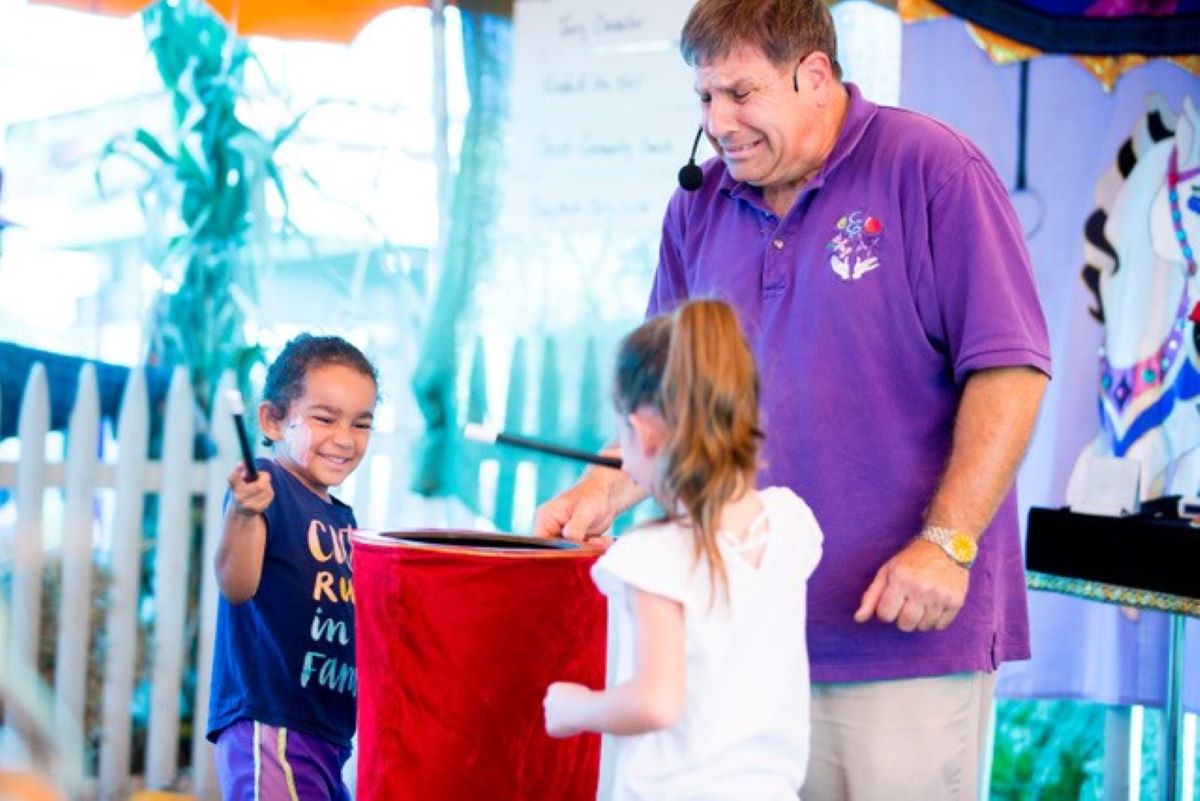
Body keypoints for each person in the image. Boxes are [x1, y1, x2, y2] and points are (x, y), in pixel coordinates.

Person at [533, 1, 1052, 798]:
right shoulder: (696, 204)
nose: (717, 122)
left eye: (740, 94)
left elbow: (1010, 369)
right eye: (704, 99)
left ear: (815, 75)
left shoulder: (934, 169)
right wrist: (604, 484)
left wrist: (947, 541)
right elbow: (672, 405)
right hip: (728, 644)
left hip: (894, 638)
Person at [542, 299, 824, 800]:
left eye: (621, 438)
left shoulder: (652, 558)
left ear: (646, 434)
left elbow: (656, 701)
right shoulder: (791, 523)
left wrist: (577, 707)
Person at [207, 334, 378, 801]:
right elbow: (236, 584)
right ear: (273, 419)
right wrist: (243, 513)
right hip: (273, 723)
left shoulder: (342, 518)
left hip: (326, 733)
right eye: (325, 418)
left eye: (361, 424)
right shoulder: (266, 486)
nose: (344, 439)